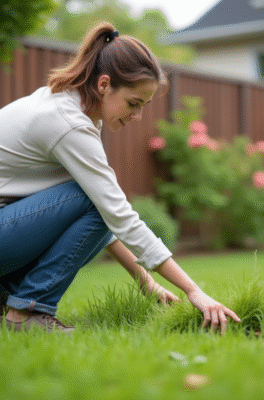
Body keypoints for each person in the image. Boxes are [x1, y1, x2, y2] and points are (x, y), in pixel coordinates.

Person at [0, 22, 241, 334]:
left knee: (96, 201)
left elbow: (104, 218)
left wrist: (148, 283)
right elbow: (116, 214)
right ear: (104, 85)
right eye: (133, 103)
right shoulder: (68, 123)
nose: (136, 116)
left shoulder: (71, 106)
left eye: (142, 106)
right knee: (96, 200)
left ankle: (9, 296)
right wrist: (193, 291)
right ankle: (26, 312)